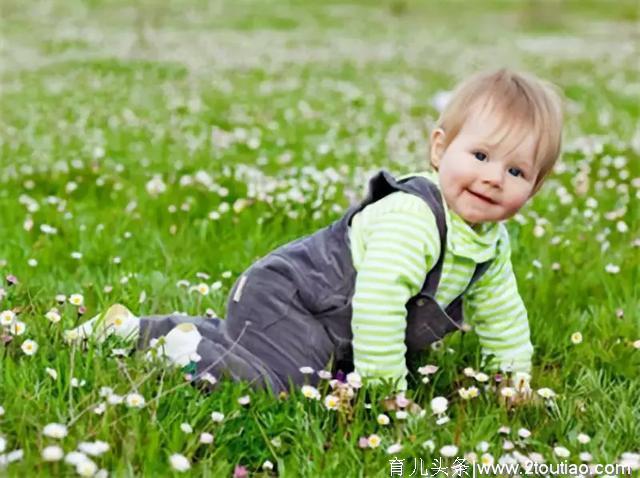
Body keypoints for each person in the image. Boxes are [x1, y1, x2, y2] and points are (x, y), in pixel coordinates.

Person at [65, 68, 564, 394]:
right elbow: (377, 302)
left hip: (329, 325)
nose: (493, 177)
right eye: (479, 156)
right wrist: (387, 391)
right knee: (277, 383)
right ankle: (179, 352)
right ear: (440, 150)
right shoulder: (415, 220)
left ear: (534, 188)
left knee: (304, 369)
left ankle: (135, 328)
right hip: (292, 298)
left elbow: (502, 312)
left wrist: (512, 378)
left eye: (516, 171)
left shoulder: (489, 245)